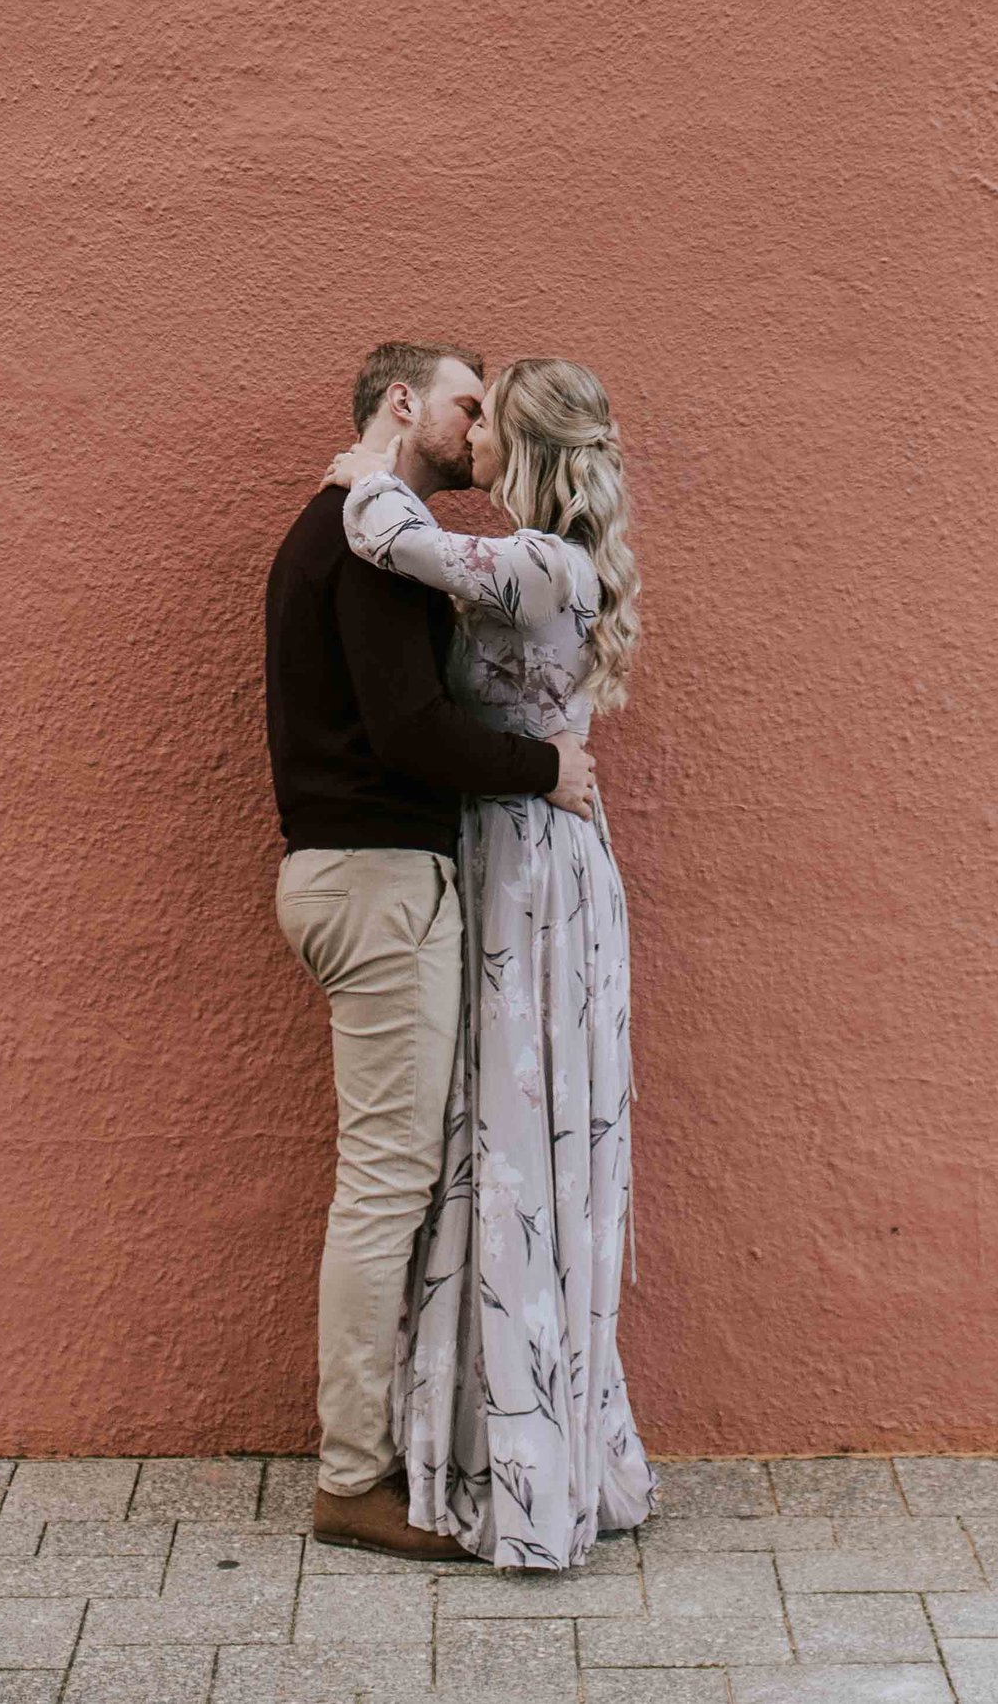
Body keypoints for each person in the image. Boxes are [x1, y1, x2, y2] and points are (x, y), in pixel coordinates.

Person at [266, 341, 597, 1562]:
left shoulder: (351, 523)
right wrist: (543, 766)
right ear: (403, 403)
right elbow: (410, 728)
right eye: (466, 402)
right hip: (380, 880)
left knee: (391, 1172)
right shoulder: (367, 539)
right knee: (388, 1182)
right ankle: (351, 1475)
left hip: (350, 875)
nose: (478, 424)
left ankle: (381, 1444)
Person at [342, 356, 654, 1571]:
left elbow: (387, 530)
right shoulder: (551, 560)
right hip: (523, 853)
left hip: (527, 870)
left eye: (485, 421)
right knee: (506, 1138)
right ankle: (529, 1428)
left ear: (520, 450)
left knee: (516, 1142)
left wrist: (372, 463)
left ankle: (522, 1464)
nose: (467, 437)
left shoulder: (536, 564)